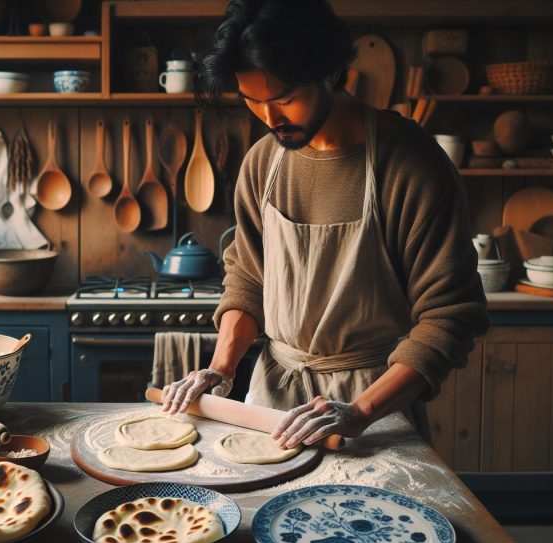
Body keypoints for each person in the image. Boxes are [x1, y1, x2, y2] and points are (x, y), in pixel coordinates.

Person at [160, 0, 489, 450]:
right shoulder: (262, 164)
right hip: (271, 404)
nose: (270, 120)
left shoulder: (412, 165)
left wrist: (360, 411)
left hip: (374, 412)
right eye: (252, 102)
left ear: (332, 74)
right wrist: (221, 366)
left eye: (285, 100)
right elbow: (248, 278)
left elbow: (450, 315)